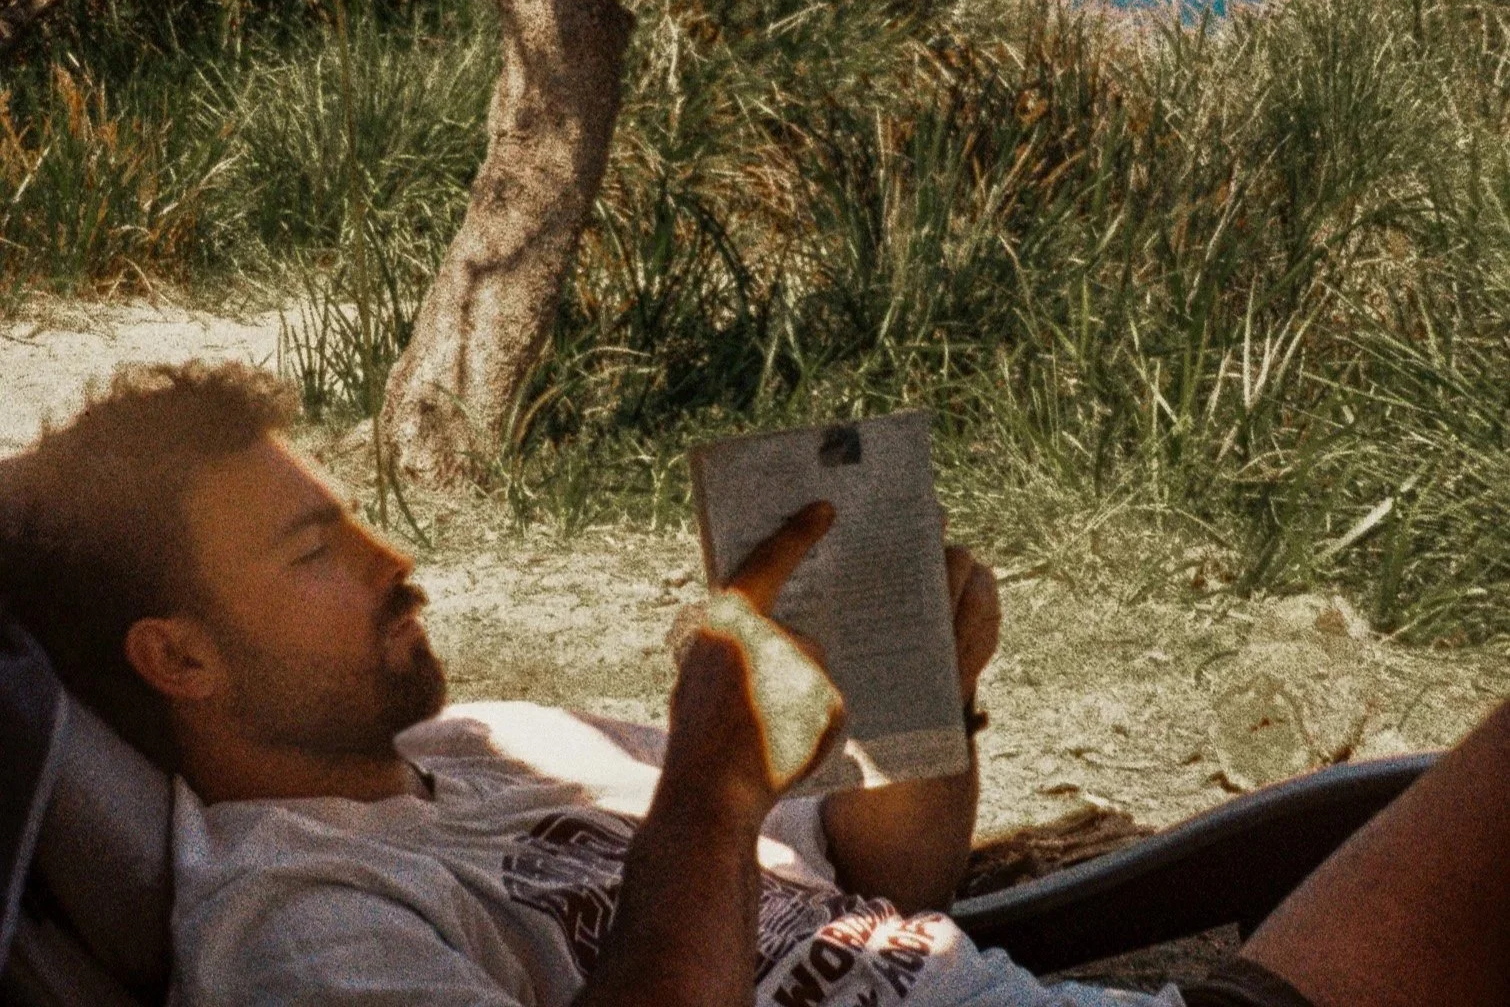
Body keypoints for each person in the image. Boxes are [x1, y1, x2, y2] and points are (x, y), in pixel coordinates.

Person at [0, 361, 1505, 1007]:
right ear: (179, 656)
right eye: (315, 548)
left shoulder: (497, 741)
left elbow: (885, 878)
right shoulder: (293, 917)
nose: (397, 560)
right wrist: (711, 788)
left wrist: (924, 701)